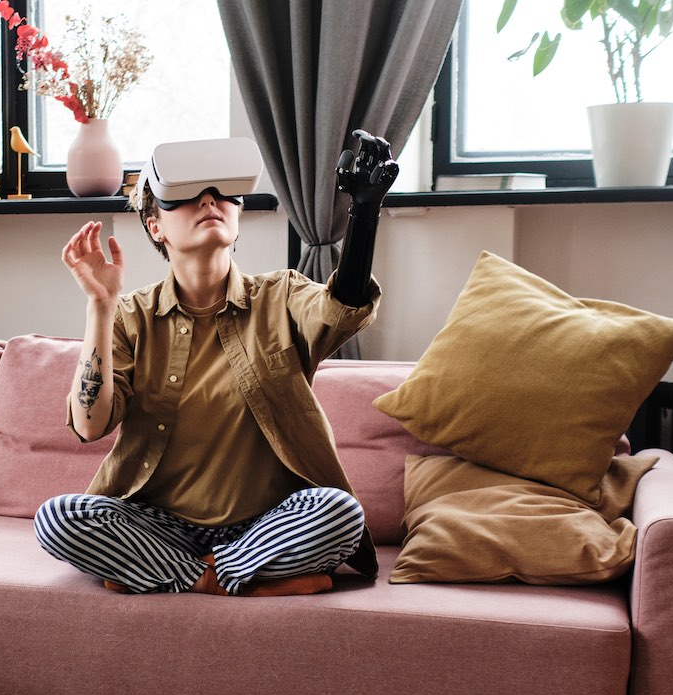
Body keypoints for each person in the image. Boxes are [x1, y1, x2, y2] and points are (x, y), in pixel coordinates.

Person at [34, 131, 399, 596]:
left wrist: (364, 211)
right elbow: (90, 426)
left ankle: (180, 575)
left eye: (225, 192)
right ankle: (240, 578)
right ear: (154, 226)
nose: (210, 199)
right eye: (186, 194)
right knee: (59, 518)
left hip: (269, 523)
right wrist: (101, 305)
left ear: (238, 216)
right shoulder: (130, 318)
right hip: (161, 524)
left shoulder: (282, 295)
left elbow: (341, 308)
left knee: (338, 512)